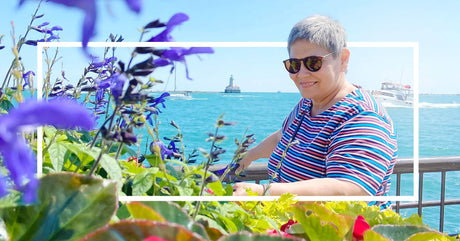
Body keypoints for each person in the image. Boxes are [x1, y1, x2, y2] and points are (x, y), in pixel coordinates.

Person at [232, 15, 397, 206]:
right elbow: (283, 137)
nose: (301, 74)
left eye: (313, 62)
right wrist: (249, 156)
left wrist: (263, 192)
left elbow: (351, 189)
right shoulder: (306, 105)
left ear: (342, 59)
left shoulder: (362, 116)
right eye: (294, 65)